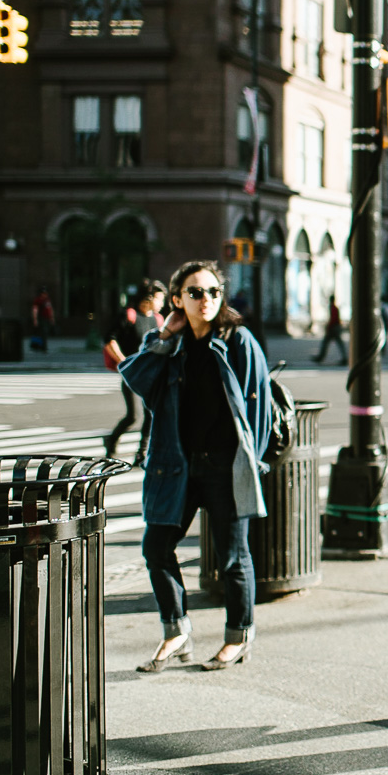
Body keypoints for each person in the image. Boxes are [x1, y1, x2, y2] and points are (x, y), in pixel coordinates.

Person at [119, 260, 271, 672]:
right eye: (195, 292)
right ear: (176, 300)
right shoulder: (172, 345)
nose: (206, 300)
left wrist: (247, 461)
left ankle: (238, 637)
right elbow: (134, 376)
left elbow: (258, 407)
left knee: (232, 558)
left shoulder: (237, 340)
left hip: (224, 466)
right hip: (178, 466)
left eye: (213, 292)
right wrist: (165, 334)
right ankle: (176, 631)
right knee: (156, 547)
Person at [104, 280, 167, 466]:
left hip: (151, 375)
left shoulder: (157, 319)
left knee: (150, 414)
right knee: (133, 416)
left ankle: (142, 453)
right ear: (148, 299)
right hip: (132, 374)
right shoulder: (129, 316)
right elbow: (109, 340)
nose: (162, 304)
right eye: (159, 299)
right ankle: (112, 440)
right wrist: (125, 363)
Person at [312, 295, 346, 364]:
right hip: (336, 327)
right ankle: (344, 358)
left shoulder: (332, 308)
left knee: (326, 343)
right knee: (338, 343)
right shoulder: (335, 308)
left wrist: (328, 327)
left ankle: (321, 357)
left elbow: (333, 319)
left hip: (333, 328)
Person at [30, 286, 55, 351]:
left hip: (47, 318)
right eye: (43, 293)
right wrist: (35, 319)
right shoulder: (38, 300)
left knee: (44, 332)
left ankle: (41, 346)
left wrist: (52, 317)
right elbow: (35, 310)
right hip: (41, 318)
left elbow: (50, 309)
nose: (45, 295)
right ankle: (43, 347)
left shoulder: (47, 300)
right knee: (43, 332)